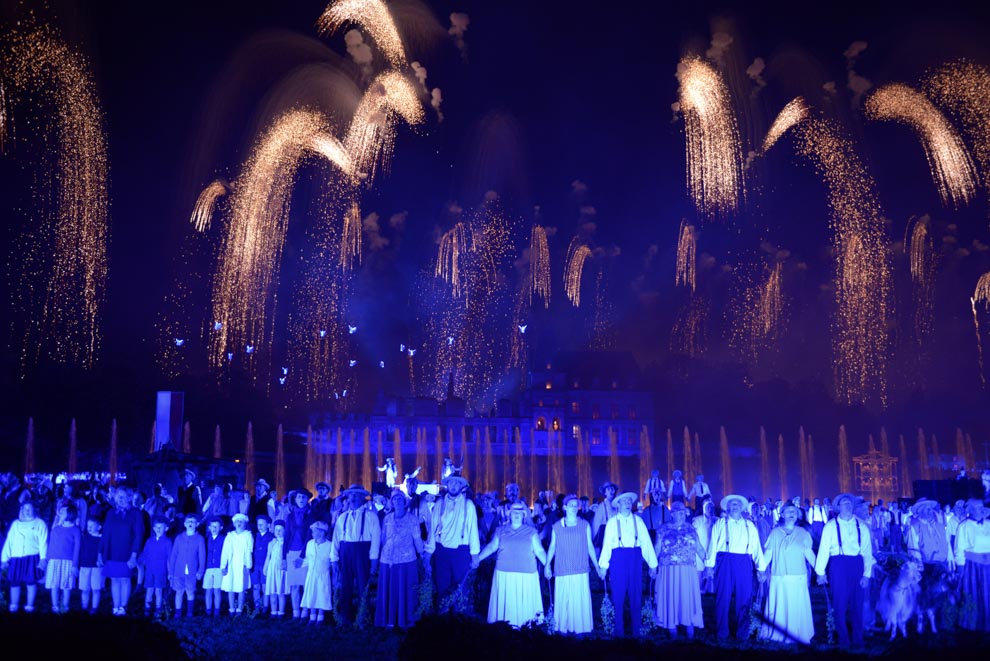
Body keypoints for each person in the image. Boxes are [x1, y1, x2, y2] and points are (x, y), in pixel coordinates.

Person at [814, 492, 875, 649]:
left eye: (849, 503)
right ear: (838, 507)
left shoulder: (862, 526)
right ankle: (843, 639)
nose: (847, 506)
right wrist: (820, 572)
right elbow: (823, 550)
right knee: (839, 604)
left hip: (857, 564)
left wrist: (867, 574)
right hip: (838, 565)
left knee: (857, 604)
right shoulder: (830, 526)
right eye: (844, 503)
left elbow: (867, 552)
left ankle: (857, 638)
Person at [704, 493, 766, 641]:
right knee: (722, 597)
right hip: (724, 561)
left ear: (742, 507)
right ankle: (722, 632)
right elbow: (712, 545)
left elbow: (756, 547)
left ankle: (742, 632)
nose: (735, 506)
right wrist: (709, 566)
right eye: (732, 504)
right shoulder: (720, 523)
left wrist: (761, 568)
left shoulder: (749, 525)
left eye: (737, 504)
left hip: (744, 562)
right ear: (728, 507)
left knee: (744, 597)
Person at [598, 491, 658, 637]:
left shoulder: (638, 521)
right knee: (617, 596)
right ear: (618, 505)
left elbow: (646, 544)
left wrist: (653, 565)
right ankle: (619, 632)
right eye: (623, 502)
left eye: (628, 502)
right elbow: (606, 545)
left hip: (635, 560)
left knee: (636, 595)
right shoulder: (612, 523)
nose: (626, 504)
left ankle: (637, 631)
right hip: (618, 561)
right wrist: (603, 566)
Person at [479, 500, 547, 627]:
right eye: (514, 511)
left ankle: (526, 630)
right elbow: (492, 547)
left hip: (526, 575)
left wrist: (548, 566)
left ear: (523, 515)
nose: (517, 514)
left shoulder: (531, 532)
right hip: (504, 574)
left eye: (520, 512)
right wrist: (477, 558)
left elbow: (539, 551)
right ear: (509, 515)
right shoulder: (500, 530)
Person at [757, 502, 816, 644]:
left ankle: (799, 633)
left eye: (794, 512)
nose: (791, 514)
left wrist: (820, 571)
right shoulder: (775, 533)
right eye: (788, 511)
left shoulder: (803, 533)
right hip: (779, 577)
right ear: (782, 515)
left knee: (797, 605)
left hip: (798, 577)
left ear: (797, 516)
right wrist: (761, 569)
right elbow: (768, 554)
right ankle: (777, 633)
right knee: (780, 604)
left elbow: (809, 554)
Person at [544, 494, 599, 634]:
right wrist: (547, 565)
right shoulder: (556, 526)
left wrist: (598, 567)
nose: (574, 508)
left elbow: (590, 547)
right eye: (571, 505)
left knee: (579, 601)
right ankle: (562, 628)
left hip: (580, 569)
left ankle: (581, 629)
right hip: (562, 569)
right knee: (564, 601)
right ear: (565, 507)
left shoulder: (584, 525)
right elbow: (552, 547)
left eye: (576, 505)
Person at [330, 484, 381, 626]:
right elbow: (336, 539)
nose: (353, 498)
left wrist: (374, 560)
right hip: (345, 552)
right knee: (345, 586)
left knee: (362, 585)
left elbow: (376, 540)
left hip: (362, 553)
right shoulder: (342, 517)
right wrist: (334, 559)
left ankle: (363, 618)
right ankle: (345, 618)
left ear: (362, 498)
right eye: (351, 495)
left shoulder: (371, 517)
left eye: (357, 496)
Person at [653, 500, 705, 639]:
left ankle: (689, 624)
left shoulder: (691, 528)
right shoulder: (663, 529)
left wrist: (709, 562)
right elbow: (657, 548)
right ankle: (671, 626)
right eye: (678, 513)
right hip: (668, 570)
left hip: (688, 569)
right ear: (672, 514)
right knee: (671, 596)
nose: (682, 515)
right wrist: (653, 566)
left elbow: (699, 547)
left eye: (683, 512)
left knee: (687, 597)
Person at [424, 475, 481, 601]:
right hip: (441, 552)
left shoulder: (468, 504)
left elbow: (473, 530)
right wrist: (428, 553)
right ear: (447, 485)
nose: (454, 485)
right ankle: (442, 618)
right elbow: (433, 529)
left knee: (461, 590)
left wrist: (475, 554)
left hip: (460, 552)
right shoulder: (439, 503)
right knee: (441, 588)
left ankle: (460, 618)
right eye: (451, 483)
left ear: (461, 486)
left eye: (457, 483)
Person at [376, 488, 425, 629]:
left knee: (407, 590)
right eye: (394, 499)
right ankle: (389, 620)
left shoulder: (412, 519)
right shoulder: (387, 519)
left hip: (407, 560)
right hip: (388, 560)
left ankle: (406, 620)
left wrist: (422, 554)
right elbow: (383, 539)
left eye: (399, 499)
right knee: (389, 589)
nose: (397, 501)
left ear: (404, 502)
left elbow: (417, 539)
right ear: (391, 502)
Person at [99, 486, 144, 616]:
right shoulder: (111, 513)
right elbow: (105, 534)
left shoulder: (136, 513)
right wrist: (100, 552)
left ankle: (123, 607)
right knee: (114, 579)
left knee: (125, 579)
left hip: (128, 553)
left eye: (124, 496)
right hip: (112, 552)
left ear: (130, 498)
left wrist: (134, 555)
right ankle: (116, 607)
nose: (120, 499)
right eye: (118, 496)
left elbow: (138, 535)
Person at [1, 500, 48, 613]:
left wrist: (43, 559)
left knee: (31, 581)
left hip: (31, 558)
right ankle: (14, 605)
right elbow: (9, 542)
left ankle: (29, 606)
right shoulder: (16, 524)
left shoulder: (40, 523)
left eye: (29, 509)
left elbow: (43, 542)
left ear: (34, 509)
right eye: (25, 509)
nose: (27, 511)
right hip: (16, 558)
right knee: (14, 582)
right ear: (21, 510)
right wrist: (4, 559)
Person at [954, 498, 990, 632]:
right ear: (970, 511)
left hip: (988, 567)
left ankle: (987, 626)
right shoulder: (964, 526)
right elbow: (959, 548)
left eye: (982, 508)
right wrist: (960, 568)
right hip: (973, 567)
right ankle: (971, 625)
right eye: (977, 508)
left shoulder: (988, 524)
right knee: (973, 595)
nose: (981, 510)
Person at [45, 502, 81, 614]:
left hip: (68, 562)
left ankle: (65, 606)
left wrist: (75, 565)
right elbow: (51, 545)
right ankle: (55, 606)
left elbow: (77, 549)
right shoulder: (56, 529)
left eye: (62, 511)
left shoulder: (76, 530)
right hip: (54, 561)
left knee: (66, 585)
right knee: (54, 585)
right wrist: (47, 560)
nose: (60, 513)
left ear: (70, 514)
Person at [168, 512, 205, 618]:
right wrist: (171, 572)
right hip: (178, 571)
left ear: (197, 524)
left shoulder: (200, 539)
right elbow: (174, 555)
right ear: (184, 524)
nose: (190, 523)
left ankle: (189, 612)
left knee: (190, 592)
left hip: (192, 571)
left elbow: (202, 556)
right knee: (179, 592)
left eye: (193, 522)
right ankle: (178, 613)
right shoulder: (179, 538)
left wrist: (200, 571)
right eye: (188, 521)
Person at [283, 489, 313, 618]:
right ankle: (296, 611)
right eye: (299, 497)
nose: (301, 499)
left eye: (304, 497)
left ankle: (305, 611)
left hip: (305, 553)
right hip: (291, 551)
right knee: (294, 584)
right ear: (295, 499)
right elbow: (287, 535)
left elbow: (310, 536)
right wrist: (284, 556)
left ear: (307, 500)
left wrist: (302, 555)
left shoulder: (311, 515)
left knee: (306, 584)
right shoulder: (290, 516)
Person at [299, 519, 333, 624]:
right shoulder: (310, 544)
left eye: (314, 531)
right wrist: (300, 563)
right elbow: (308, 559)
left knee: (322, 593)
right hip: (312, 575)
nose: (312, 533)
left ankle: (320, 616)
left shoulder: (329, 545)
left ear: (322, 532)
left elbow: (331, 560)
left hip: (323, 574)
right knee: (312, 594)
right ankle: (312, 616)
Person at [220, 512, 254, 615]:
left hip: (242, 565)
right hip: (231, 565)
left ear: (245, 524)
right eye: (237, 521)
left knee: (241, 587)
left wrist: (248, 565)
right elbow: (225, 552)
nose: (239, 523)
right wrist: (223, 566)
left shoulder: (248, 535)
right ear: (234, 523)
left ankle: (239, 608)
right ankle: (231, 608)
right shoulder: (230, 536)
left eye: (241, 521)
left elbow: (249, 551)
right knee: (230, 586)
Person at [139, 515, 172, 617]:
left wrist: (170, 572)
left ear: (166, 528)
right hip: (149, 570)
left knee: (158, 591)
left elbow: (169, 558)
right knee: (149, 590)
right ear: (153, 528)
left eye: (160, 527)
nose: (158, 529)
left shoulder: (167, 542)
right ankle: (147, 609)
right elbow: (144, 553)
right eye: (156, 527)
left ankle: (158, 611)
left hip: (161, 571)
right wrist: (140, 561)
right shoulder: (149, 541)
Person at [78, 514, 103, 614]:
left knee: (96, 589)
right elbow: (81, 550)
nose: (90, 528)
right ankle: (84, 607)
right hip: (85, 566)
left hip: (97, 567)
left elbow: (104, 552)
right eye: (88, 526)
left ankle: (94, 607)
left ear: (99, 527)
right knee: (85, 588)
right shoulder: (84, 538)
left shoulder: (102, 539)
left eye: (92, 526)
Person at [265, 520, 289, 617]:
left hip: (281, 569)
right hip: (272, 568)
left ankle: (281, 612)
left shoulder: (285, 543)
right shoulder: (271, 543)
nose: (278, 532)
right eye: (276, 530)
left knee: (280, 591)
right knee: (272, 591)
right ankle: (273, 611)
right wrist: (266, 567)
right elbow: (268, 556)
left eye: (280, 530)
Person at [203, 515, 225, 616]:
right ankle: (208, 610)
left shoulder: (223, 539)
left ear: (221, 527)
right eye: (212, 526)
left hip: (218, 567)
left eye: (216, 526)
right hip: (208, 567)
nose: (214, 529)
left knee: (217, 590)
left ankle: (216, 610)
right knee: (208, 590)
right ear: (209, 527)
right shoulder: (206, 539)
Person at [252, 514, 273, 613]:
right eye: (258, 524)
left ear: (268, 525)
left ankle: (265, 607)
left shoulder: (271, 537)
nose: (259, 526)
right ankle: (257, 606)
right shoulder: (255, 536)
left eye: (262, 524)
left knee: (265, 587)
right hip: (255, 565)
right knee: (256, 586)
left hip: (265, 565)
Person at [592, 481, 618, 550]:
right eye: (608, 489)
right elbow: (595, 526)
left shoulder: (618, 506)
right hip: (605, 541)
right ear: (605, 493)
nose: (611, 491)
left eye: (612, 489)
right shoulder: (601, 507)